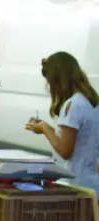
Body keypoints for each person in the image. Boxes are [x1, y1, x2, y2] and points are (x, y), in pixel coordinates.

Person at [26, 51, 99, 191]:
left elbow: (65, 151)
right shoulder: (92, 101)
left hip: (75, 185)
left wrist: (44, 129)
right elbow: (76, 140)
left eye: (50, 83)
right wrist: (47, 127)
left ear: (59, 81)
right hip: (92, 184)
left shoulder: (73, 104)